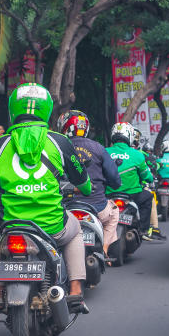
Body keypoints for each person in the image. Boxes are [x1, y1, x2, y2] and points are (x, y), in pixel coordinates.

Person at [0, 83, 92, 304]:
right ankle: (74, 288)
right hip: (52, 226)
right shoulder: (60, 142)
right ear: (47, 110)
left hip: (10, 225)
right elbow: (84, 183)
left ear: (13, 109)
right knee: (76, 230)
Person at [58, 110, 121, 261]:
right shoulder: (98, 148)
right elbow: (114, 179)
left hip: (67, 208)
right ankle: (105, 248)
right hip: (98, 208)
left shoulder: (58, 147)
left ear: (64, 127)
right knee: (114, 212)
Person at [105, 123, 154, 239]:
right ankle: (143, 230)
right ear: (130, 136)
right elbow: (148, 177)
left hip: (108, 194)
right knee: (147, 196)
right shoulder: (137, 155)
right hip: (132, 195)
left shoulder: (104, 151)